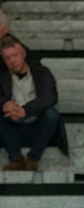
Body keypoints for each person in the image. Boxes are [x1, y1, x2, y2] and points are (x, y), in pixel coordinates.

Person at [0, 36, 62, 172]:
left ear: (23, 53)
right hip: (12, 128)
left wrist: (25, 110)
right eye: (7, 58)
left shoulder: (41, 72)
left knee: (52, 114)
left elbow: (50, 97)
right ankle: (16, 159)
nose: (12, 60)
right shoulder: (2, 76)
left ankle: (33, 159)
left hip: (37, 126)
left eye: (15, 55)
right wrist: (4, 104)